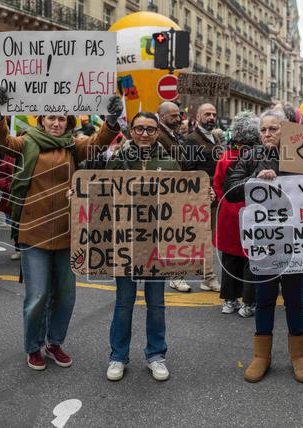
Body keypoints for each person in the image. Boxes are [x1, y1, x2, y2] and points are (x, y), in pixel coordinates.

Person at [0, 85, 122, 371]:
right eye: (51, 117)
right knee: (37, 296)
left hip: (68, 233)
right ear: (41, 120)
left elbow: (99, 141)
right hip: (32, 231)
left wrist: (111, 121)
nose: (56, 122)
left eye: (62, 119)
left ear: (69, 123)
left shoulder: (74, 146)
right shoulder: (25, 142)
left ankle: (55, 342)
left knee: (66, 295)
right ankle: (33, 347)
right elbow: (0, 143)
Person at [224, 108, 303, 384]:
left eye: (274, 129)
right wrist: (255, 180)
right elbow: (230, 190)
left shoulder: (302, 156)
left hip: (295, 242)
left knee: (295, 299)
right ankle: (262, 356)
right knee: (264, 299)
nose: (268, 134)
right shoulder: (249, 157)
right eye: (264, 130)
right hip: (263, 243)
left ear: (286, 131)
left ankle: (299, 356)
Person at [100, 112, 183, 382]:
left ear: (158, 132)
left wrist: (204, 195)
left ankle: (156, 355)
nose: (144, 134)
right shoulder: (118, 162)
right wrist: (78, 194)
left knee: (156, 304)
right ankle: (117, 356)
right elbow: (101, 195)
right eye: (139, 129)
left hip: (157, 243)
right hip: (126, 242)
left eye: (150, 129)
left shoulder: (170, 164)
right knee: (124, 303)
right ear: (131, 131)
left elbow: (182, 200)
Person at [169, 103, 223, 293]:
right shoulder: (191, 140)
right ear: (198, 117)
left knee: (206, 239)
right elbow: (189, 170)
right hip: (197, 196)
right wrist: (205, 186)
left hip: (214, 197)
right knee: (188, 237)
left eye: (214, 114)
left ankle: (208, 278)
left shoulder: (215, 138)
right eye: (207, 114)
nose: (211, 117)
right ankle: (176, 276)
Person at [214, 112, 261, 318]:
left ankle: (229, 300)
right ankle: (249, 302)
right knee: (251, 259)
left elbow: (217, 185)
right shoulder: (261, 156)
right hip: (252, 212)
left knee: (229, 260)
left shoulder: (226, 156)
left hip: (229, 213)